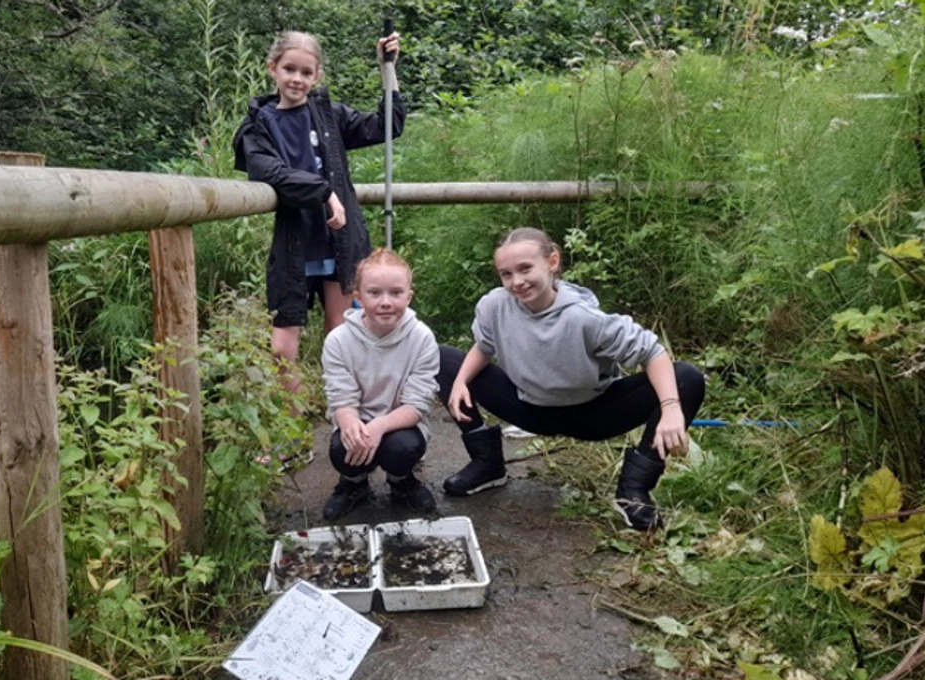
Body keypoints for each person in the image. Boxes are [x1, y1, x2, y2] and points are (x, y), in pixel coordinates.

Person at [436, 227, 706, 531]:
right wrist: (460, 381)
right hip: (529, 409)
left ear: (552, 262)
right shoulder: (494, 305)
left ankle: (634, 491)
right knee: (443, 359)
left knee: (687, 378)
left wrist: (670, 408)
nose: (517, 282)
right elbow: (484, 346)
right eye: (506, 274)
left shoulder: (584, 318)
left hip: (593, 414)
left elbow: (653, 352)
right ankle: (487, 464)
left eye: (525, 268)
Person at [231, 30, 405, 463]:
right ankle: (292, 439)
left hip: (342, 244)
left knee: (345, 338)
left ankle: (358, 428)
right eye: (289, 69)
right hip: (294, 248)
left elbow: (388, 126)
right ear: (273, 69)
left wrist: (389, 70)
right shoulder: (258, 124)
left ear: (317, 75)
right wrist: (325, 192)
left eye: (306, 72)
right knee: (281, 348)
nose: (297, 78)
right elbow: (265, 169)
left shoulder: (328, 115)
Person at [320, 248, 439, 521]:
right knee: (342, 447)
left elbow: (418, 403)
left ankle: (402, 481)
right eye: (375, 293)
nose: (386, 302)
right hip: (358, 418)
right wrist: (351, 422)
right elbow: (341, 397)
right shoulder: (338, 341)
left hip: (401, 423)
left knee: (402, 448)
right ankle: (353, 484)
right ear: (358, 298)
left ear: (409, 297)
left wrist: (379, 426)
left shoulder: (422, 338)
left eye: (396, 293)